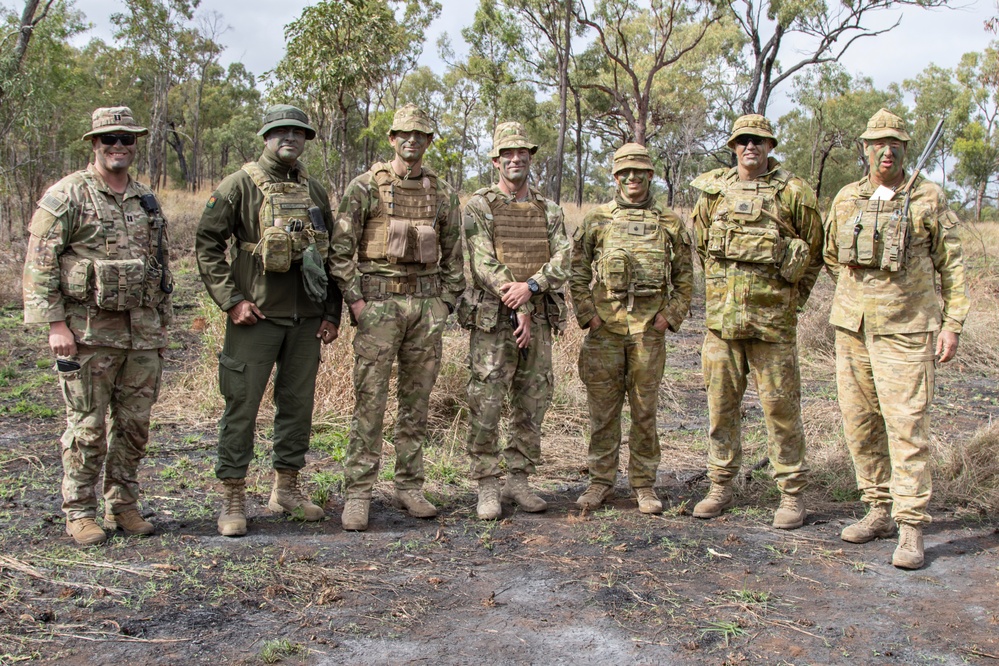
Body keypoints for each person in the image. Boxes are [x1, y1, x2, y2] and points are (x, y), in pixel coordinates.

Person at [824, 109, 970, 569]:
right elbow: (831, 254)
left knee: (907, 430)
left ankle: (910, 528)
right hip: (853, 331)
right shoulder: (847, 197)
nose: (886, 151)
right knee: (860, 426)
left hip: (907, 332)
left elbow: (954, 266)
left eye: (895, 144)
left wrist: (953, 324)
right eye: (877, 143)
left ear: (905, 149)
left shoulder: (928, 197)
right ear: (865, 149)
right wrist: (858, 297)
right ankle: (878, 511)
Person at [23, 106, 173, 545]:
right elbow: (40, 263)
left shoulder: (146, 198)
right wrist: (55, 326)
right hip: (88, 335)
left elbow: (159, 269)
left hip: (142, 335)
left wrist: (163, 328)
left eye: (127, 139)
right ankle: (80, 511)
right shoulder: (68, 195)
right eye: (110, 139)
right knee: (87, 426)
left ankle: (123, 504)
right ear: (94, 143)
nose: (119, 146)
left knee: (134, 426)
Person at [195, 104, 342, 537]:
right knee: (241, 406)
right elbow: (207, 243)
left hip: (306, 321)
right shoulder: (239, 185)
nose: (290, 138)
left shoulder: (314, 190)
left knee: (297, 407)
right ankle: (233, 496)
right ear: (266, 136)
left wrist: (331, 312)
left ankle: (287, 488)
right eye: (281, 131)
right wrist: (232, 300)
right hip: (254, 319)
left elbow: (328, 254)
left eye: (298, 132)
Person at [329, 104, 464, 531]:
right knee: (370, 401)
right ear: (392, 138)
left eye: (420, 135)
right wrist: (357, 304)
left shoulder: (442, 193)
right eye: (404, 134)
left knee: (416, 403)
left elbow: (457, 257)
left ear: (428, 142)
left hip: (425, 310)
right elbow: (340, 253)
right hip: (379, 308)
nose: (412, 141)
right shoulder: (364, 187)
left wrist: (445, 304)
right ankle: (358, 493)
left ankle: (409, 485)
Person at [690, 114, 823, 529]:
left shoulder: (795, 193)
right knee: (720, 410)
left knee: (781, 411)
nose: (751, 147)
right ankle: (720, 486)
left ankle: (791, 495)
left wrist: (790, 304)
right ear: (733, 147)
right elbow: (702, 247)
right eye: (744, 140)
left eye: (759, 141)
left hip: (772, 329)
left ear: (770, 147)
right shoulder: (713, 192)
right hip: (722, 327)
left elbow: (813, 255)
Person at [570, 143, 693, 514]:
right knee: (603, 411)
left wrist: (668, 317)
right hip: (605, 330)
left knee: (644, 410)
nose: (632, 177)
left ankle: (643, 484)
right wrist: (588, 315)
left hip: (647, 332)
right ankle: (600, 482)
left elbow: (686, 278)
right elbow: (577, 271)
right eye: (625, 171)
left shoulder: (669, 222)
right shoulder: (596, 220)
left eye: (639, 170)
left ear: (651, 174)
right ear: (615, 176)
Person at [459, 122, 570, 520]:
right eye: (507, 153)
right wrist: (518, 296)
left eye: (522, 152)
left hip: (538, 318)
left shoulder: (548, 208)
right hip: (494, 320)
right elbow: (482, 261)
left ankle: (519, 478)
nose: (515, 158)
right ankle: (487, 484)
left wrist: (533, 288)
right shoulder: (479, 206)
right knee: (487, 400)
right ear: (495, 160)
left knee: (532, 400)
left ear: (530, 157)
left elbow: (564, 259)